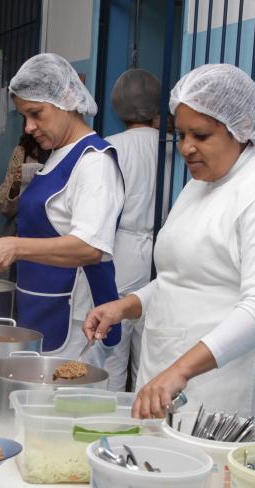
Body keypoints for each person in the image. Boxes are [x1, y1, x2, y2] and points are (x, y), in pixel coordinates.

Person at [83, 64, 255, 443]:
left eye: (201, 135)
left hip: (236, 386)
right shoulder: (200, 185)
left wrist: (181, 369)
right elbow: (180, 279)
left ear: (242, 127)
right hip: (171, 373)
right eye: (180, 134)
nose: (185, 148)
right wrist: (125, 306)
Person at [0, 53, 125, 366]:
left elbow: (89, 247)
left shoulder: (94, 162)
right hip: (40, 308)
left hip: (75, 321)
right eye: (23, 117)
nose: (28, 127)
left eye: (36, 113)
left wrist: (15, 246)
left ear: (66, 99)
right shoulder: (57, 155)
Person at [103, 68, 162, 391]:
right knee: (150, 347)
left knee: (114, 344)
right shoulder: (172, 146)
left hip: (121, 249)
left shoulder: (109, 147)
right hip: (162, 250)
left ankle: (109, 417)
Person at [0, 125, 50, 237]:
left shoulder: (68, 153)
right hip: (23, 231)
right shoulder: (22, 153)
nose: (30, 127)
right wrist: (16, 186)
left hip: (54, 234)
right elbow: (5, 208)